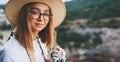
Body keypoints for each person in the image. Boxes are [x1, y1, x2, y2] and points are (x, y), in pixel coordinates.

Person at [0, 0, 66, 62]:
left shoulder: (40, 43)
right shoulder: (10, 52)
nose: (41, 18)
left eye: (46, 14)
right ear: (24, 15)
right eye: (35, 12)